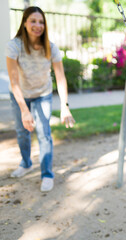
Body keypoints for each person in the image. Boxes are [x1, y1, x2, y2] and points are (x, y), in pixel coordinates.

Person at [6, 6, 75, 192]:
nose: (38, 25)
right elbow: (13, 81)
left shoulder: (50, 47)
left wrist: (64, 105)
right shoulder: (14, 46)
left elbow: (60, 77)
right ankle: (26, 163)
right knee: (22, 131)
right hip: (20, 95)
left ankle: (46, 174)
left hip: (43, 94)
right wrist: (24, 110)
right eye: (33, 21)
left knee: (44, 132)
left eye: (41, 21)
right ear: (25, 23)